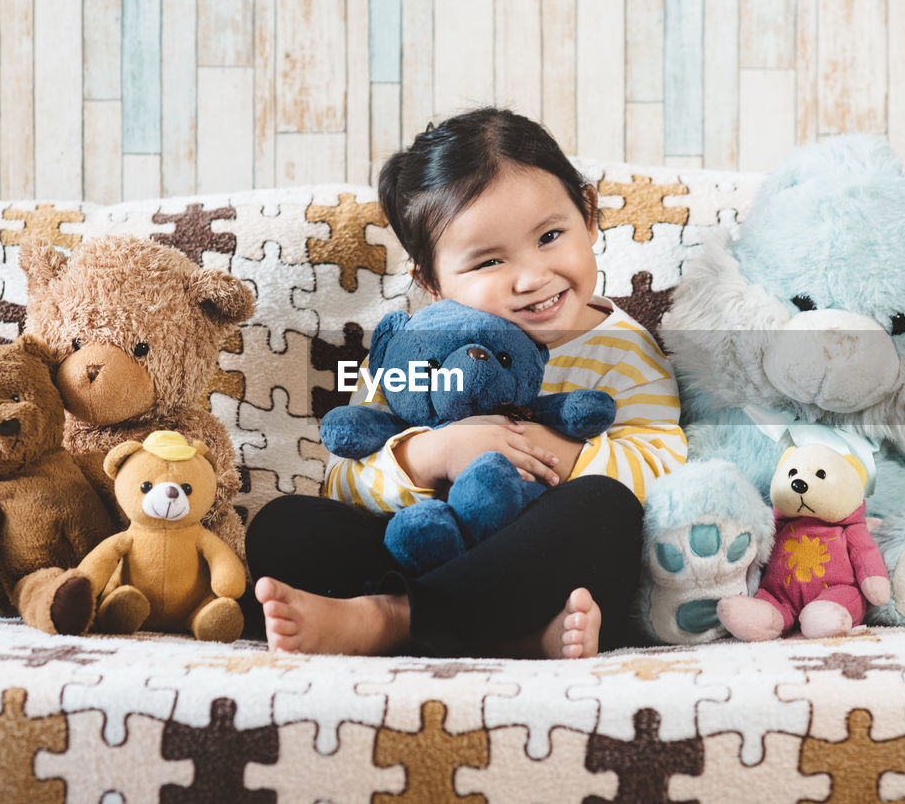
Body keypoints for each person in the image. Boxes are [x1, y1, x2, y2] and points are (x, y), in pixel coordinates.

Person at [247, 107, 686, 658]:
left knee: (607, 508)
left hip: (542, 570)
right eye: (487, 262)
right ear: (431, 281)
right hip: (428, 548)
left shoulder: (622, 349)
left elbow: (665, 469)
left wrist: (553, 453)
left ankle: (392, 620)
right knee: (284, 525)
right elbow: (342, 479)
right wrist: (430, 454)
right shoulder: (416, 346)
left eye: (550, 235)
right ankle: (517, 637)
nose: (531, 277)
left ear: (589, 215)